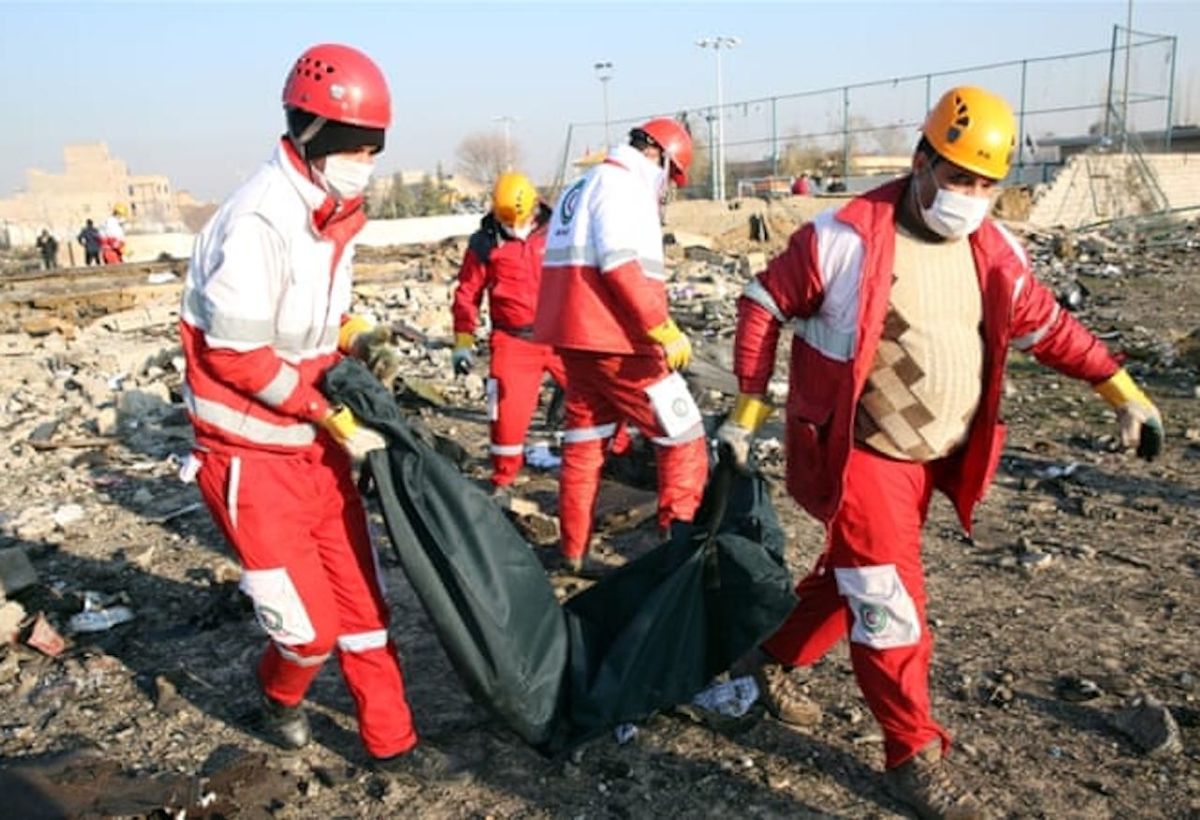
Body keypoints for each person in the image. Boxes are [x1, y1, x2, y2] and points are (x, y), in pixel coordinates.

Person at [716, 85, 1164, 819]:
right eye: (959, 178)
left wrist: (1121, 390)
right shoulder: (845, 238)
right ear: (921, 161)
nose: (971, 197)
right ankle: (912, 756)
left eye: (987, 184)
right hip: (860, 454)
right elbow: (763, 304)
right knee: (889, 602)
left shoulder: (994, 250)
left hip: (930, 460)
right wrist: (747, 410)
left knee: (851, 579)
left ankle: (765, 660)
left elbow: (1049, 328)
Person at [179, 43, 462, 782]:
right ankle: (278, 694)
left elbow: (313, 321)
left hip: (312, 449)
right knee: (308, 632)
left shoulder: (331, 215)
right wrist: (324, 413)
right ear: (311, 134)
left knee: (365, 609)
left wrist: (358, 336)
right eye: (354, 147)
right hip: (250, 460)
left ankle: (393, 742)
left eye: (373, 149)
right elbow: (236, 356)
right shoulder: (259, 221)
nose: (364, 162)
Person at [534, 118, 707, 574]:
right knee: (684, 438)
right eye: (672, 175)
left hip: (575, 339)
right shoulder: (623, 185)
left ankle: (574, 551)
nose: (668, 186)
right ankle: (679, 561)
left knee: (585, 443)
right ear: (659, 156)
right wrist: (661, 327)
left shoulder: (581, 186)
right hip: (620, 341)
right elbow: (619, 263)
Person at [451, 171, 566, 494]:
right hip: (514, 341)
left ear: (535, 206)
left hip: (562, 335)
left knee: (599, 397)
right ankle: (503, 479)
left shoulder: (559, 230)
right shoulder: (485, 243)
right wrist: (463, 340)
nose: (516, 226)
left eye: (523, 219)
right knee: (505, 416)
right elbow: (467, 293)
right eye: (508, 221)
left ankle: (618, 456)